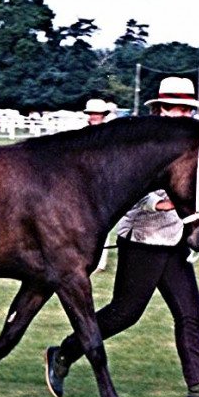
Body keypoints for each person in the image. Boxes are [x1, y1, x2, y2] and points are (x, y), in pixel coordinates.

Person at [45, 77, 199, 397]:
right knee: (125, 313)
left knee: (190, 313)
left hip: (176, 241)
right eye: (176, 108)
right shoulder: (139, 142)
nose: (181, 114)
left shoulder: (191, 144)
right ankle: (63, 353)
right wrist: (157, 205)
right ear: (161, 108)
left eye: (187, 109)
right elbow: (118, 194)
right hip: (144, 241)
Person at [83, 98, 113, 271]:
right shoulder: (82, 135)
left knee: (103, 223)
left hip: (102, 186)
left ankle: (100, 260)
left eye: (97, 114)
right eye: (91, 114)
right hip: (84, 185)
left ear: (103, 116)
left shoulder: (108, 138)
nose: (94, 117)